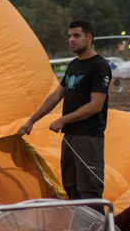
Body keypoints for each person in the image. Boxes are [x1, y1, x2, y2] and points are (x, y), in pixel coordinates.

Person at [18, 19, 111, 204]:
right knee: (71, 186)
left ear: (89, 37)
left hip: (88, 138)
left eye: (76, 35)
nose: (71, 40)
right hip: (70, 138)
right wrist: (31, 121)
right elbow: (55, 97)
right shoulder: (73, 65)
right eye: (69, 36)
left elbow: (95, 105)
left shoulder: (99, 66)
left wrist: (63, 120)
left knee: (88, 190)